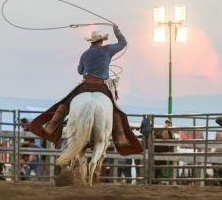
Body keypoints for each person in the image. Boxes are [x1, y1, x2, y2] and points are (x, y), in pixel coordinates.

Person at [29, 24, 143, 155]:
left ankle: (51, 128)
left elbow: (80, 71)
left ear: (91, 41)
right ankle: (122, 139)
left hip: (85, 84)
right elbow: (123, 43)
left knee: (64, 104)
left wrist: (85, 67)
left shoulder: (85, 54)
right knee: (117, 113)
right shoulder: (107, 50)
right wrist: (116, 30)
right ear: (102, 40)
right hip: (101, 85)